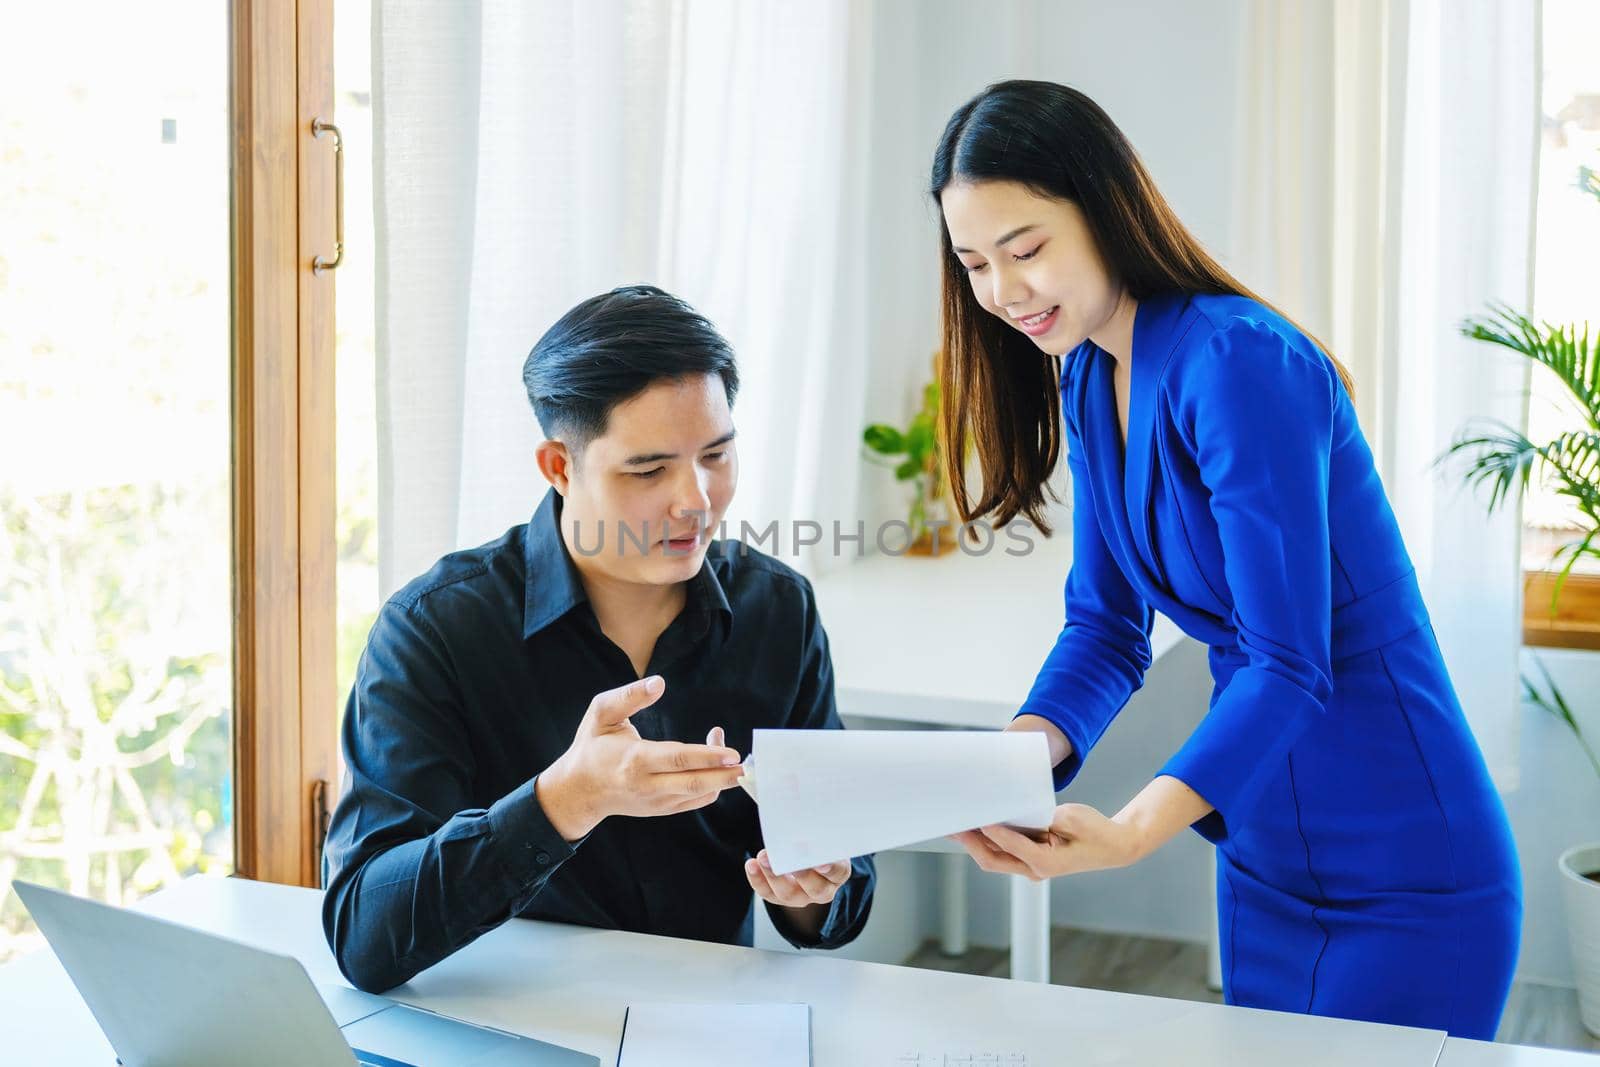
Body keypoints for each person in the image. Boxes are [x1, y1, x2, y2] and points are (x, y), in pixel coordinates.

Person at [933, 80, 1520, 1038]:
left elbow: (1289, 662)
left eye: (1026, 249)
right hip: (1263, 854)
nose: (1002, 292)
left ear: (1105, 205)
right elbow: (1106, 625)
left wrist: (1126, 833)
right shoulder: (1090, 374)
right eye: (974, 264)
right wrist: (1015, 760)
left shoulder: (1241, 361)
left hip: (1407, 866)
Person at [322, 284, 873, 993]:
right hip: (504, 1023)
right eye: (649, 469)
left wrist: (814, 892)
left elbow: (844, 879)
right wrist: (563, 801)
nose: (696, 500)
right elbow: (364, 935)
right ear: (558, 466)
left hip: (704, 1029)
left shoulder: (778, 610)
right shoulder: (436, 629)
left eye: (716, 454)